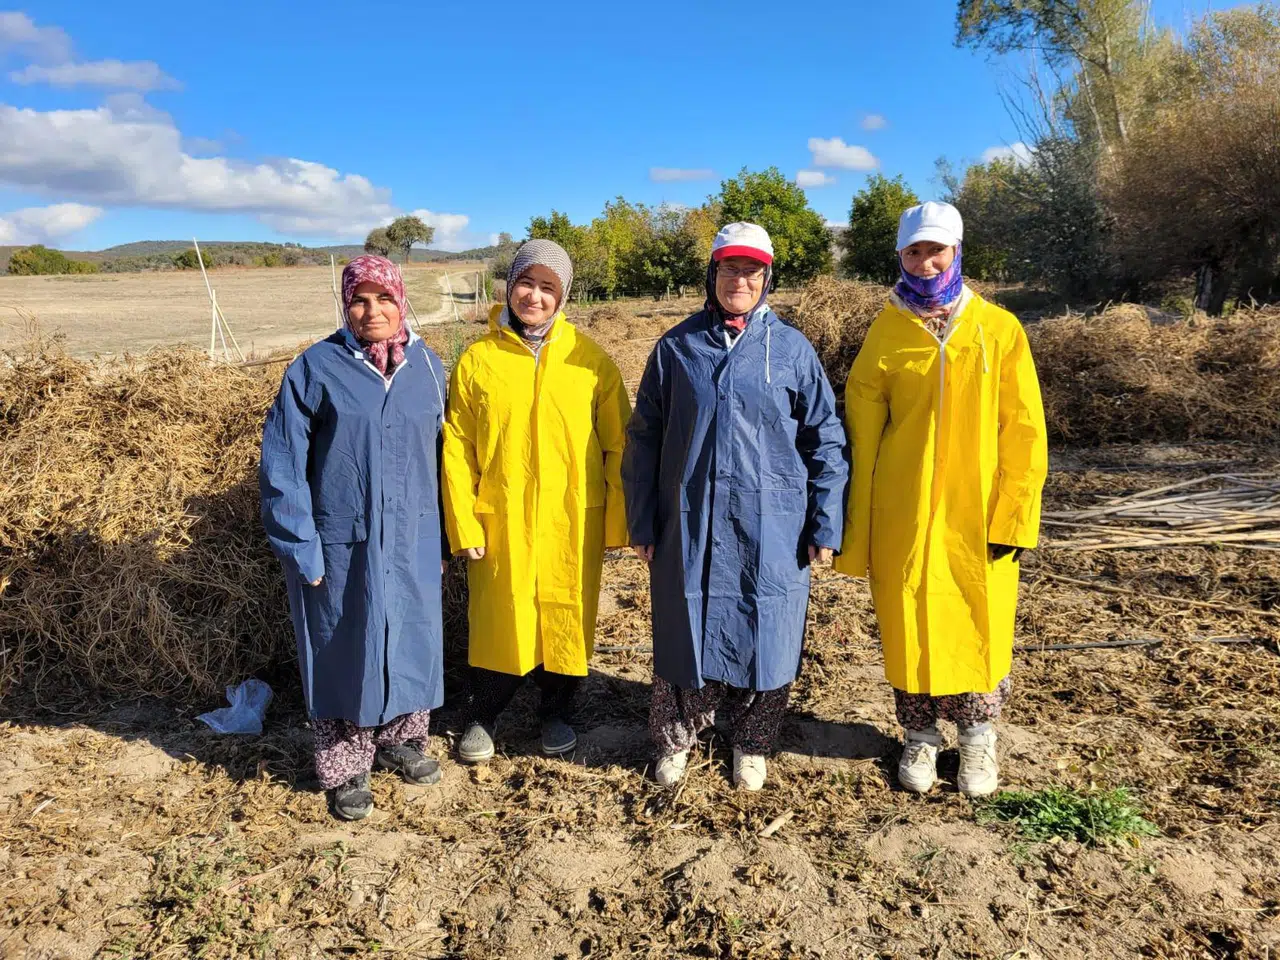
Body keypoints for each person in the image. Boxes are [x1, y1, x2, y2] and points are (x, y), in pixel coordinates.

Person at [622, 222, 848, 791]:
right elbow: (644, 437)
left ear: (767, 277)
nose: (739, 280)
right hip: (690, 517)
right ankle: (676, 736)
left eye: (750, 270)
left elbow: (824, 438)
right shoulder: (677, 347)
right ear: (712, 273)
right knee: (683, 625)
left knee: (768, 627)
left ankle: (753, 740)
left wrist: (826, 520)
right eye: (729, 268)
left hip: (773, 521)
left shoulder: (792, 349)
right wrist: (643, 519)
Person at [835, 201, 1048, 798]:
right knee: (909, 621)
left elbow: (1025, 429)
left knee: (980, 620)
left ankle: (978, 737)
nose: (925, 262)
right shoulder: (887, 330)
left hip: (977, 513)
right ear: (900, 255)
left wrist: (1015, 512)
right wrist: (859, 524)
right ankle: (921, 735)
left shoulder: (999, 330)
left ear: (957, 252)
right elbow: (861, 429)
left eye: (936, 250)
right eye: (914, 251)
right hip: (904, 512)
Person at [260, 254, 448, 821]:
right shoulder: (315, 368)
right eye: (359, 300)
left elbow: (448, 460)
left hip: (413, 536)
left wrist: (441, 540)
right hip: (341, 542)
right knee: (342, 646)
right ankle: (346, 766)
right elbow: (283, 464)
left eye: (383, 298)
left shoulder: (430, 368)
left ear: (402, 301)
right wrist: (301, 546)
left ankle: (398, 740)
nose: (372, 311)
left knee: (409, 639)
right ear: (346, 306)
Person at [442, 239, 631, 763]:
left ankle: (557, 711)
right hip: (500, 518)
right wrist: (464, 524)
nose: (535, 296)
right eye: (527, 282)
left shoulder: (590, 360)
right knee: (502, 617)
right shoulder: (478, 361)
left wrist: (616, 524)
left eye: (549, 287)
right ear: (510, 286)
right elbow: (457, 448)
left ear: (563, 295)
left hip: (573, 519)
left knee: (565, 618)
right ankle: (484, 713)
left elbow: (621, 444)